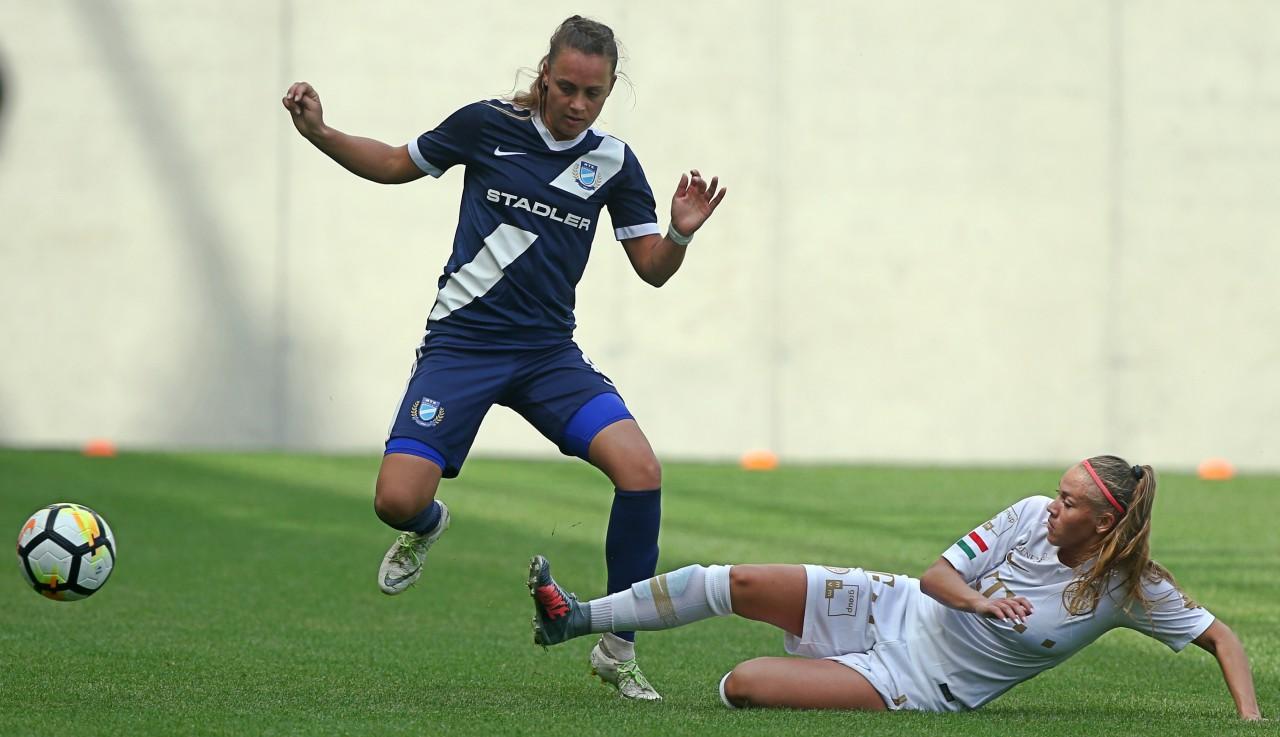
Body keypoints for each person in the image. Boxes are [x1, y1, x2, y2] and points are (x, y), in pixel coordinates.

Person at [282, 15, 725, 701]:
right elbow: (396, 163)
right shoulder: (485, 125)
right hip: (462, 345)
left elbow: (652, 269)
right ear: (545, 74)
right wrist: (321, 132)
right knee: (395, 501)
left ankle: (618, 644)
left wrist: (679, 233)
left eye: (594, 93)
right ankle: (429, 523)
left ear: (610, 91)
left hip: (548, 355)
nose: (578, 104)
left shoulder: (614, 163)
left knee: (641, 472)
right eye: (568, 87)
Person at [529, 455, 1262, 719]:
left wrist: (1250, 719)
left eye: (1070, 503)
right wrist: (980, 601)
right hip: (896, 603)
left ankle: (831, 672)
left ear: (1104, 523)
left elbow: (1223, 638)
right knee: (736, 579)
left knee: (740, 685)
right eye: (1059, 492)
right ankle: (576, 618)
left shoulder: (1133, 589)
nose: (1053, 506)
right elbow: (938, 577)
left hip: (920, 680)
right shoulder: (1027, 514)